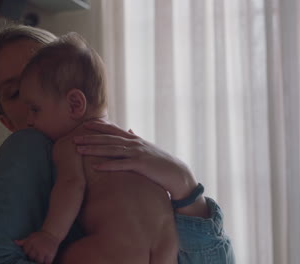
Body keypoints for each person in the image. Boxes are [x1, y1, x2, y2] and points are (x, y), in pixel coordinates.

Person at [0, 24, 235, 264]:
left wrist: (185, 185)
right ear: (6, 122)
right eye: (16, 93)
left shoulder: (112, 149)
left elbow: (71, 186)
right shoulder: (28, 147)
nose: (31, 108)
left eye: (40, 87)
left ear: (75, 99)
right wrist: (186, 192)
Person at [15, 32, 178, 264]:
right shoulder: (127, 142)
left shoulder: (73, 143)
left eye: (35, 109)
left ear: (74, 104)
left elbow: (71, 186)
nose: (29, 121)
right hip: (165, 249)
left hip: (116, 247)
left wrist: (49, 236)